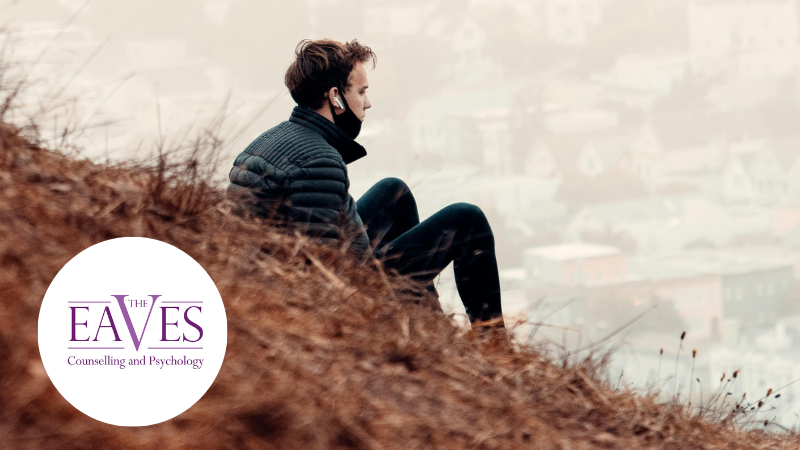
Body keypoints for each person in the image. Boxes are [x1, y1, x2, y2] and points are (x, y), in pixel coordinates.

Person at [227, 38, 504, 331]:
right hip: (346, 293)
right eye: (361, 91)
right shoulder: (320, 160)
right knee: (467, 219)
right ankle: (494, 342)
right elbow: (325, 272)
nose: (367, 102)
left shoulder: (272, 139)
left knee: (393, 192)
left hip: (280, 275)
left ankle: (431, 328)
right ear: (335, 97)